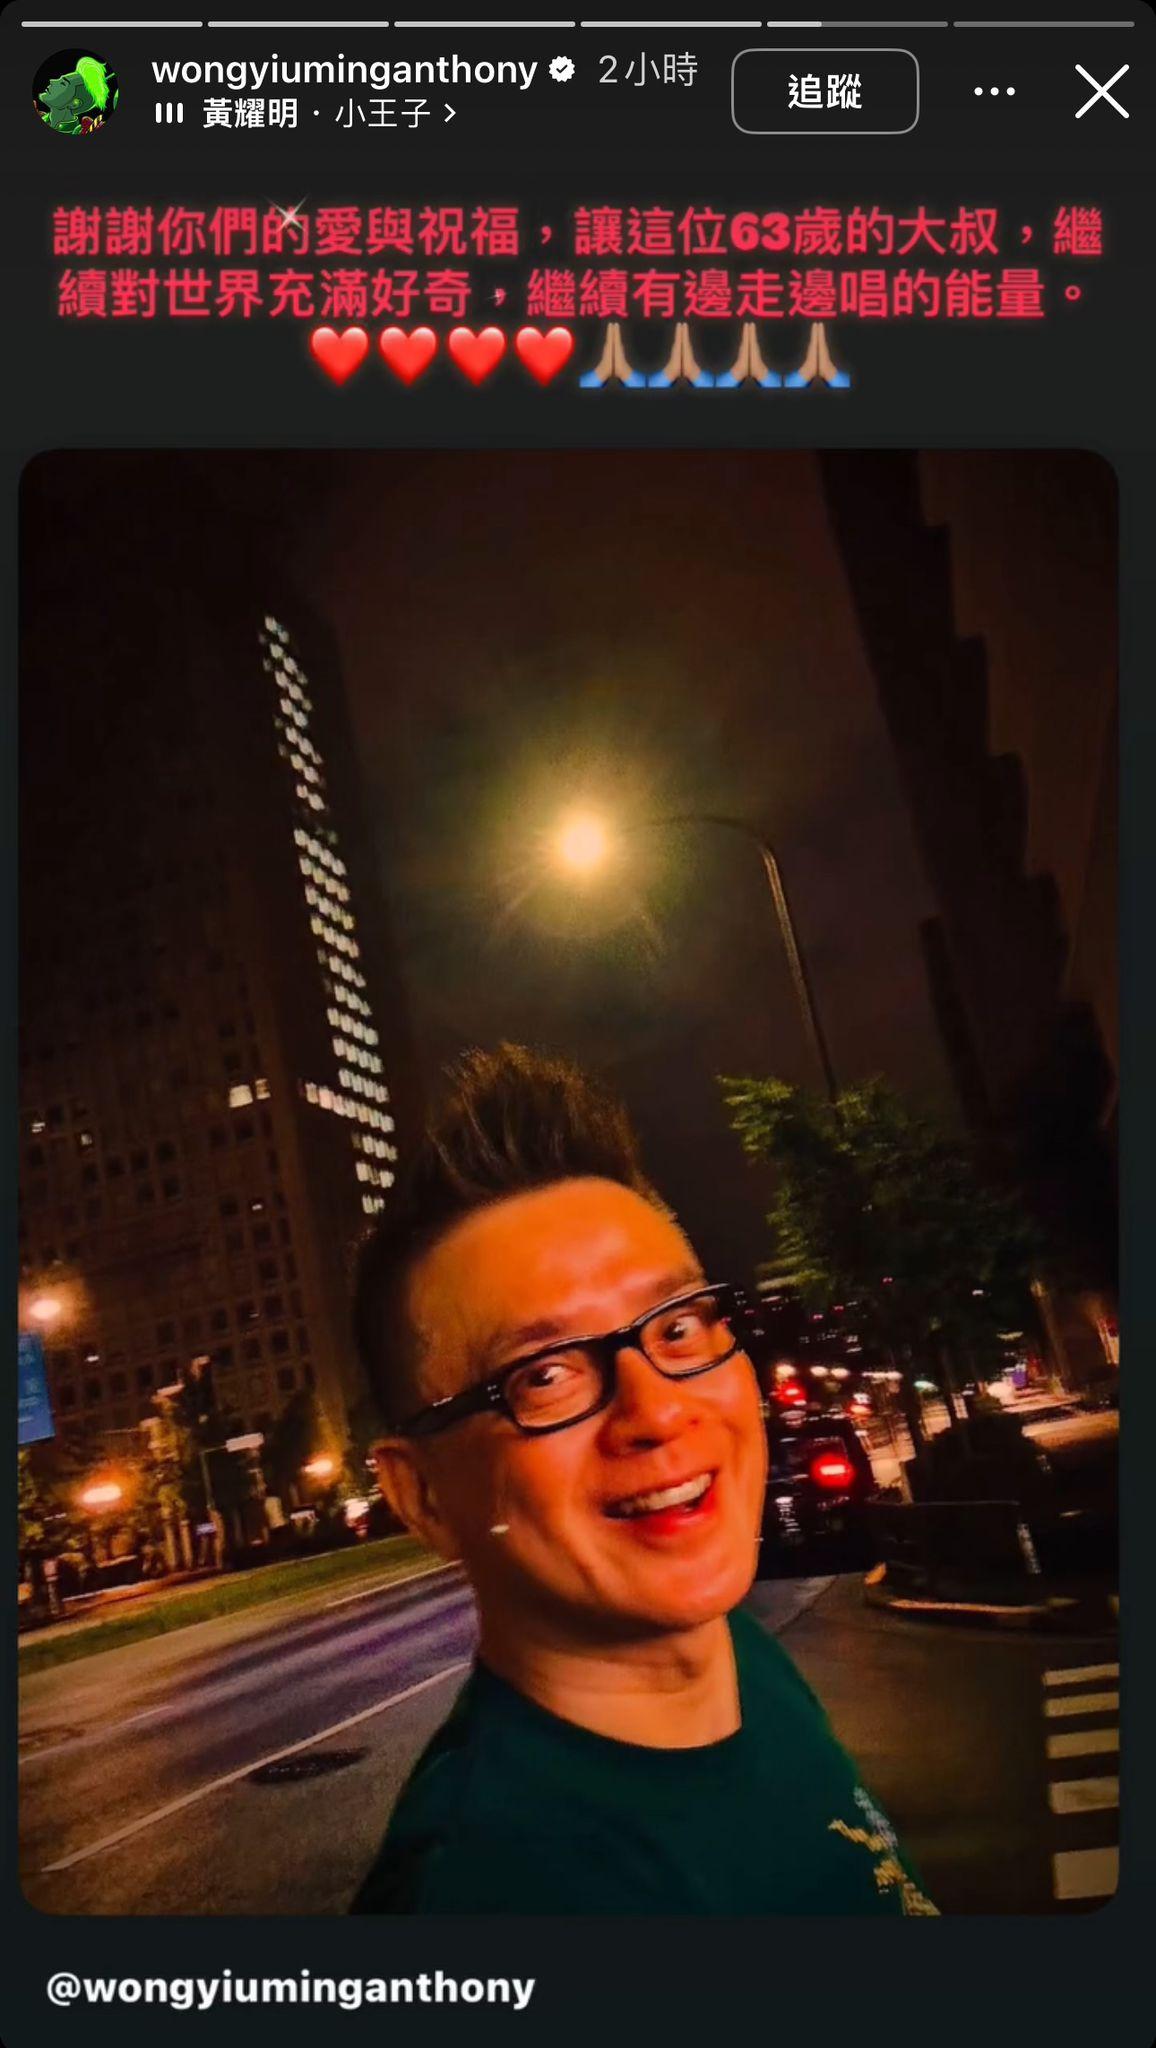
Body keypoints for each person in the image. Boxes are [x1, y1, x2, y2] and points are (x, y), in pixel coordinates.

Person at [350, 1044, 935, 1915]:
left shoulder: (746, 1666)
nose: (657, 1410)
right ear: (422, 1497)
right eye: (545, 1374)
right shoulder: (489, 1892)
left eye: (677, 1329)